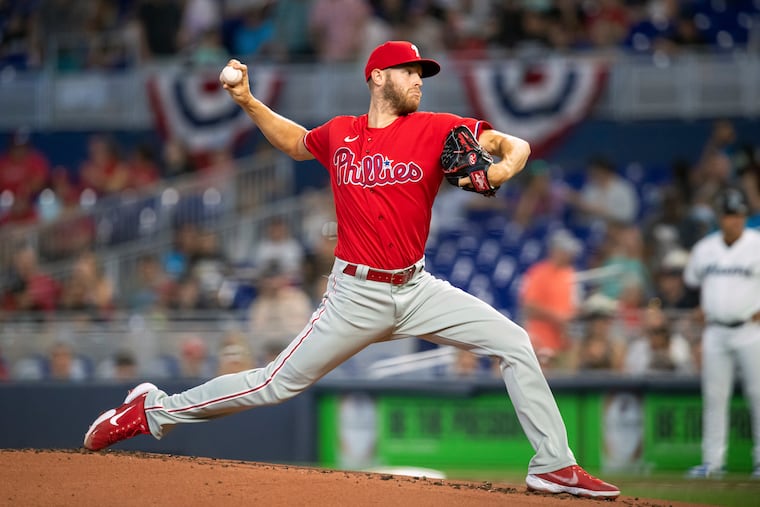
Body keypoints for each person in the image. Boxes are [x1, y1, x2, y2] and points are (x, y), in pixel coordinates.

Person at [82, 40, 619, 498]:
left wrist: (504, 160)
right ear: (378, 76)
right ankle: (151, 410)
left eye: (423, 73)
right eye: (411, 72)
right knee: (274, 383)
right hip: (353, 296)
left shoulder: (437, 129)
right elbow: (295, 141)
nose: (420, 80)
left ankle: (552, 464)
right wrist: (247, 100)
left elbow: (510, 142)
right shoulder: (341, 133)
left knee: (515, 343)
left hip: (417, 288)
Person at [683, 187, 760, 479]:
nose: (735, 220)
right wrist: (702, 307)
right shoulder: (706, 248)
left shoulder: (757, 244)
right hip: (715, 331)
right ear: (721, 217)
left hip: (750, 330)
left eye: (739, 214)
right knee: (715, 397)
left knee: (758, 395)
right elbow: (691, 282)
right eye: (730, 215)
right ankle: (713, 463)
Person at [518, 229, 582, 370]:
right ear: (555, 251)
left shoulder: (570, 273)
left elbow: (575, 305)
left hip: (564, 343)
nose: (570, 255)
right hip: (540, 343)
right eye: (566, 251)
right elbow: (528, 306)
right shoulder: (538, 273)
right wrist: (556, 317)